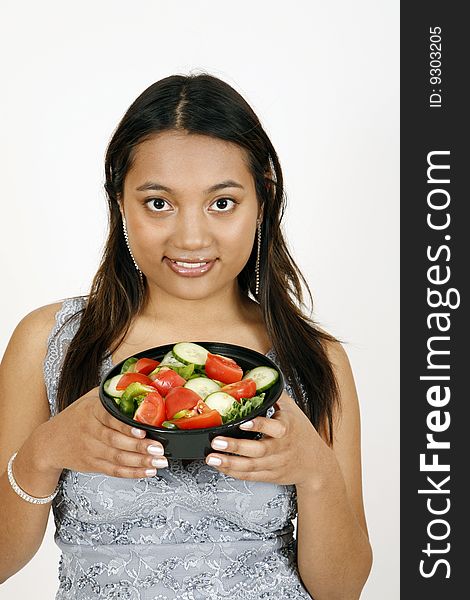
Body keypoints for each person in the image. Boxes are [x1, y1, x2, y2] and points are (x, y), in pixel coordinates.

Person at [0, 73, 372, 599]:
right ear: (119, 200)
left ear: (263, 198)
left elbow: (344, 589)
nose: (191, 238)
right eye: (158, 203)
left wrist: (315, 473)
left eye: (222, 203)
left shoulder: (316, 359)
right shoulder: (48, 340)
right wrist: (42, 454)